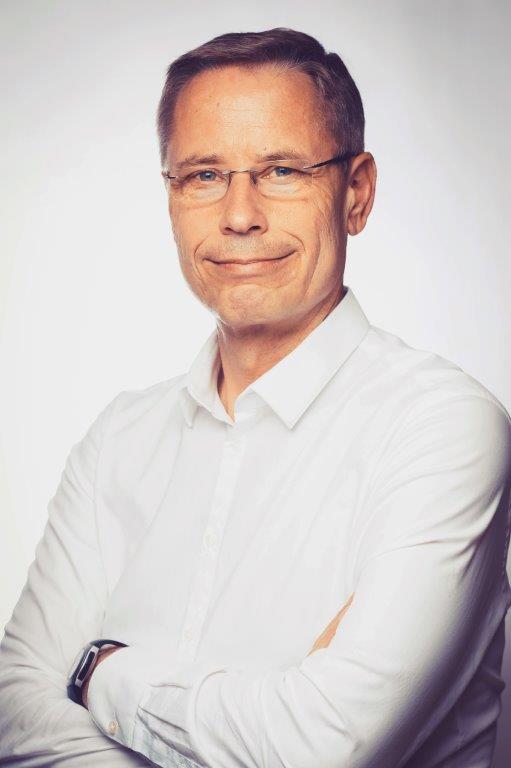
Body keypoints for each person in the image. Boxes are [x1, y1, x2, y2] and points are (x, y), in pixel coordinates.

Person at [0, 26, 510, 768]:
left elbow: (322, 747)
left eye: (281, 170)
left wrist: (99, 673)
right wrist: (263, 713)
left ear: (356, 193)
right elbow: (15, 713)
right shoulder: (118, 441)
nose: (240, 215)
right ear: (171, 197)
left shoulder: (441, 428)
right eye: (204, 174)